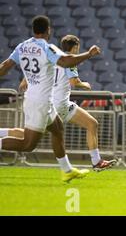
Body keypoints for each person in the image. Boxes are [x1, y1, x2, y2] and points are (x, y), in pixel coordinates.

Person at [0, 15, 101, 182]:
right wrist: (89, 54)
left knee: (58, 130)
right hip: (40, 102)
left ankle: (67, 170)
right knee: (28, 144)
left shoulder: (22, 46)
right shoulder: (47, 48)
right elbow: (66, 61)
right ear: (48, 30)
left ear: (34, 30)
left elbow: (4, 67)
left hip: (37, 100)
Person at [17, 34, 117, 171]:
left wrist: (25, 82)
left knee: (92, 123)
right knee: (28, 140)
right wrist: (85, 84)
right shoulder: (70, 61)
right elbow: (74, 82)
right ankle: (95, 161)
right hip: (59, 106)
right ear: (75, 47)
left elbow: (31, 76)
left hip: (53, 103)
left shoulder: (52, 58)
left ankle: (96, 162)